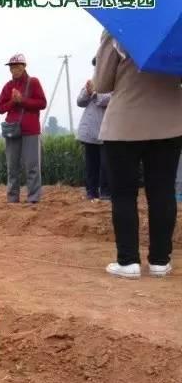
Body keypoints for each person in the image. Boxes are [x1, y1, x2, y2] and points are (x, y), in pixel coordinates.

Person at [94, 31, 182, 279]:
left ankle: (128, 261)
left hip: (124, 125)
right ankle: (159, 262)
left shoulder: (118, 29)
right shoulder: (175, 29)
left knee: (123, 194)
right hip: (169, 123)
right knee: (163, 192)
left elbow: (102, 84)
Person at [0, 54, 47, 204]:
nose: (14, 70)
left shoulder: (33, 82)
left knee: (32, 166)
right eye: (11, 67)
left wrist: (22, 100)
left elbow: (42, 103)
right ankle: (12, 199)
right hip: (12, 130)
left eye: (17, 66)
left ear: (24, 66)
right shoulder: (8, 86)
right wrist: (13, 101)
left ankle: (33, 199)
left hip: (30, 130)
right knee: (12, 167)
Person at [77, 57, 111, 201]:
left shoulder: (114, 81)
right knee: (91, 164)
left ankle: (106, 192)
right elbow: (80, 101)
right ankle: (91, 192)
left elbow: (112, 98)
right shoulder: (91, 82)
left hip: (107, 129)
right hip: (90, 129)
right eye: (96, 65)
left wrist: (95, 94)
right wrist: (87, 91)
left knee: (106, 165)